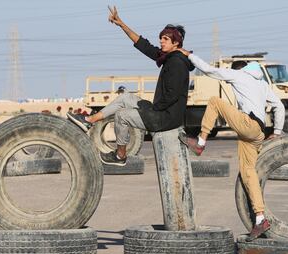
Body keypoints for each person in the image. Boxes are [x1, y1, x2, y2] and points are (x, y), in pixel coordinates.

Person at [177, 48, 285, 241]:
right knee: (248, 172)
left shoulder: (238, 75)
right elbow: (280, 106)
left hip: (247, 124)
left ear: (238, 70)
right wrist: (276, 132)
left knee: (215, 101)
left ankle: (201, 142)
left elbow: (209, 70)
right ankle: (260, 218)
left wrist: (189, 55)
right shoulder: (262, 84)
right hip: (258, 133)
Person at [67, 6, 194, 166]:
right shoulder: (168, 57)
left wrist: (149, 111)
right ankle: (89, 120)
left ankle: (121, 156)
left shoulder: (176, 63)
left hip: (165, 118)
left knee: (122, 115)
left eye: (165, 39)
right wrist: (121, 24)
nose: (161, 41)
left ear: (176, 43)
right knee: (125, 98)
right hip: (160, 111)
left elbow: (172, 95)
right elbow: (143, 44)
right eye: (161, 38)